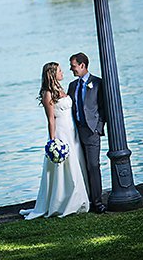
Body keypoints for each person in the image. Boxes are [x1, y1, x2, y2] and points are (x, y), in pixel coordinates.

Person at [20, 62, 90, 219]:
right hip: (61, 133)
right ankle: (62, 202)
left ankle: (79, 196)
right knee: (64, 168)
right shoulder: (47, 93)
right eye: (59, 70)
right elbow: (51, 119)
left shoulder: (61, 88)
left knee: (77, 163)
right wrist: (53, 142)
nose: (63, 72)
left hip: (72, 132)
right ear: (52, 73)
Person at [68, 52, 108, 213]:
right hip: (76, 133)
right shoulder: (72, 85)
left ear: (82, 65)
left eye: (73, 66)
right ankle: (85, 200)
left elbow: (104, 107)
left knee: (93, 166)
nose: (72, 70)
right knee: (81, 167)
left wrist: (98, 127)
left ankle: (97, 202)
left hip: (92, 132)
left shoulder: (98, 83)